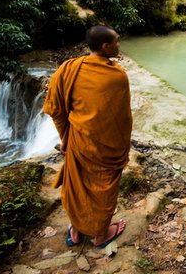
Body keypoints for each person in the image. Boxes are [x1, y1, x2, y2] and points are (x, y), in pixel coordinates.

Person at [44, 25, 133, 248]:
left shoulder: (68, 68)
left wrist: (66, 137)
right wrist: (123, 148)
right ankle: (100, 236)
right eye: (117, 41)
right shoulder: (117, 76)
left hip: (79, 141)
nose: (119, 45)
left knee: (78, 187)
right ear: (106, 46)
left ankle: (76, 230)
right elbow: (121, 120)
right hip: (106, 149)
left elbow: (55, 108)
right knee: (104, 189)